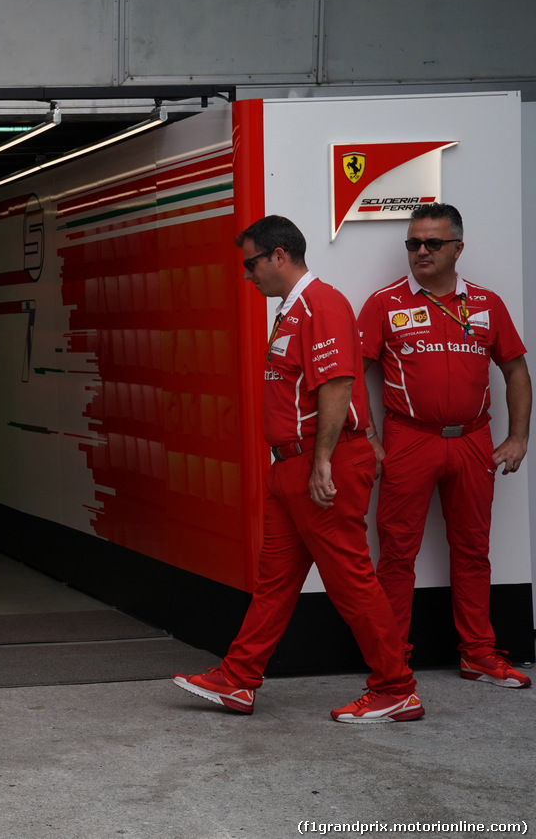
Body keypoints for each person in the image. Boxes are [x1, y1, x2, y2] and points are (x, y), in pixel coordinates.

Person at [173, 215, 422, 723]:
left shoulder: (321, 303)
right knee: (275, 583)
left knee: (351, 581)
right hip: (291, 466)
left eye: (251, 263)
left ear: (279, 255)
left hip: (317, 465)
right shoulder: (292, 310)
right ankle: (238, 679)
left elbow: (336, 385)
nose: (248, 275)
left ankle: (396, 687)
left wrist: (324, 461)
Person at [358, 203, 531, 689]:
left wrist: (518, 437)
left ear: (458, 247)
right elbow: (350, 374)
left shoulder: (486, 303)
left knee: (474, 550)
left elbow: (515, 369)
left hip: (474, 441)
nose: (421, 252)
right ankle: (391, 661)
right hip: (409, 440)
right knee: (396, 553)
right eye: (413, 243)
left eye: (432, 243)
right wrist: (368, 437)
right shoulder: (384, 303)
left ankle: (478, 653)